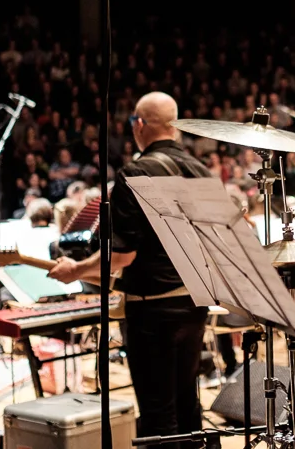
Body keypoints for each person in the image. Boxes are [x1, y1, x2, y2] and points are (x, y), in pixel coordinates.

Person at [48, 92, 211, 446]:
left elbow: (122, 257)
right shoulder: (201, 171)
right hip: (195, 304)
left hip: (153, 310)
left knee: (158, 414)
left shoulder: (135, 173)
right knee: (187, 404)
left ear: (139, 126)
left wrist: (76, 269)